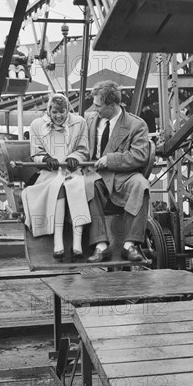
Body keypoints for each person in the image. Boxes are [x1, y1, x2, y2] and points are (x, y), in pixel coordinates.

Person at [83, 80, 151, 263]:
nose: (95, 109)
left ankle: (130, 244)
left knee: (142, 185)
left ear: (112, 105)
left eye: (98, 106)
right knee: (88, 185)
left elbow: (139, 155)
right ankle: (100, 245)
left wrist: (110, 159)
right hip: (96, 173)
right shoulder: (89, 119)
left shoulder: (136, 125)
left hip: (124, 175)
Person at [21, 94, 91, 261]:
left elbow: (83, 150)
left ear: (68, 110)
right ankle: (58, 241)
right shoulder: (37, 125)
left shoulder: (79, 122)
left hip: (72, 170)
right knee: (58, 186)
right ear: (49, 111)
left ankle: (77, 243)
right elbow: (35, 153)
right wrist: (45, 160)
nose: (59, 116)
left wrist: (76, 157)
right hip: (50, 173)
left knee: (76, 187)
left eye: (62, 112)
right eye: (55, 112)